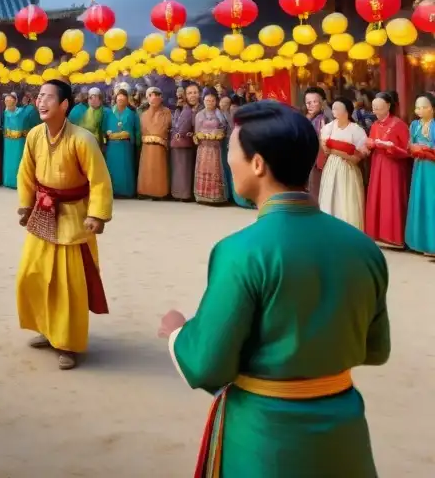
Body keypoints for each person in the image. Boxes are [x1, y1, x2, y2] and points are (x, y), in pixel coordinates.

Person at [158, 100, 389, 477]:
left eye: (232, 151)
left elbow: (206, 364)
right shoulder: (363, 248)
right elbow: (375, 348)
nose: (229, 160)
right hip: (343, 428)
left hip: (266, 435)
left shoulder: (240, 251)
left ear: (258, 164)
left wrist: (178, 333)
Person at [16, 80, 112, 371]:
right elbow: (26, 172)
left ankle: (67, 343)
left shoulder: (82, 139)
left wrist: (96, 214)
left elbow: (99, 180)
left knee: (67, 285)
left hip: (72, 216)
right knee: (32, 274)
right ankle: (47, 329)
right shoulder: (34, 135)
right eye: (39, 97)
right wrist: (25, 203)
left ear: (64, 105)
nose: (41, 102)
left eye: (48, 97)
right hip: (43, 212)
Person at [363, 92, 411, 248]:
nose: (375, 111)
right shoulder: (375, 125)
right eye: (374, 108)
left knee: (392, 198)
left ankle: (394, 237)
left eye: (379, 108)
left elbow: (407, 150)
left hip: (393, 167)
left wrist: (390, 148)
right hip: (378, 164)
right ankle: (377, 234)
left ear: (388, 106)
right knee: (378, 196)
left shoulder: (398, 124)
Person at [318, 97, 368, 229]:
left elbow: (358, 156)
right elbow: (326, 150)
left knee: (347, 198)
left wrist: (337, 150)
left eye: (337, 108)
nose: (333, 110)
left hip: (348, 168)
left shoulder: (356, 130)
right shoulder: (329, 127)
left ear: (346, 111)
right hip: (332, 166)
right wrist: (342, 151)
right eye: (333, 107)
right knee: (330, 197)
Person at [404, 93, 435, 257]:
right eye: (418, 107)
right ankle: (422, 242)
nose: (420, 110)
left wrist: (426, 150)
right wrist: (414, 149)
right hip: (419, 167)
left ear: (433, 108)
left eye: (425, 107)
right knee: (421, 200)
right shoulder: (414, 125)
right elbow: (409, 145)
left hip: (432, 167)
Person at [194, 89, 230, 205]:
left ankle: (216, 196)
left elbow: (224, 128)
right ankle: (202, 195)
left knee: (216, 169)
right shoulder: (199, 114)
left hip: (215, 148)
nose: (209, 102)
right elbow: (197, 132)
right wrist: (202, 135)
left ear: (216, 101)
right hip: (203, 147)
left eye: (212, 100)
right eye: (207, 100)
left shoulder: (219, 114)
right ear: (203, 101)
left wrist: (217, 134)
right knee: (203, 169)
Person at [102, 88, 139, 198]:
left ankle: (127, 192)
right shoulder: (108, 113)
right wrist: (106, 136)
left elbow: (137, 130)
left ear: (127, 100)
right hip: (112, 146)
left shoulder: (132, 114)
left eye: (123, 99)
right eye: (119, 99)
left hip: (125, 146)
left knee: (125, 168)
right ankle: (112, 191)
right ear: (115, 100)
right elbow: (103, 129)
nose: (121, 101)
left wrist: (132, 139)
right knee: (112, 168)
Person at [137, 87, 171, 199]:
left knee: (159, 168)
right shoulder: (144, 114)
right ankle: (144, 191)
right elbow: (142, 130)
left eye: (157, 95)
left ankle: (160, 192)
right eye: (151, 95)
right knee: (146, 168)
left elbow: (166, 128)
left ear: (161, 97)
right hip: (146, 146)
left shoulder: (166, 112)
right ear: (147, 98)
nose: (154, 98)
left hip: (160, 147)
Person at [170, 83, 198, 201]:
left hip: (199, 143)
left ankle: (193, 193)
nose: (192, 96)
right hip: (182, 143)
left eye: (195, 92)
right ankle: (181, 194)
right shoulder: (180, 109)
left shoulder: (202, 107)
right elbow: (174, 124)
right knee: (182, 169)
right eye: (189, 93)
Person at [304, 86, 331, 200]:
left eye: (314, 102)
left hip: (319, 161)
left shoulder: (323, 119)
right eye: (308, 102)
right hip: (311, 160)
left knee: (317, 192)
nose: (310, 105)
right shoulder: (312, 118)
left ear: (323, 102)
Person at [2, 92, 30, 190]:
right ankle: (8, 180)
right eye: (6, 100)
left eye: (10, 100)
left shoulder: (21, 112)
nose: (7, 102)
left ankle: (18, 181)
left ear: (15, 101)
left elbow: (25, 125)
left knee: (18, 159)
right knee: (8, 159)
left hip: (18, 141)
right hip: (8, 140)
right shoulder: (5, 113)